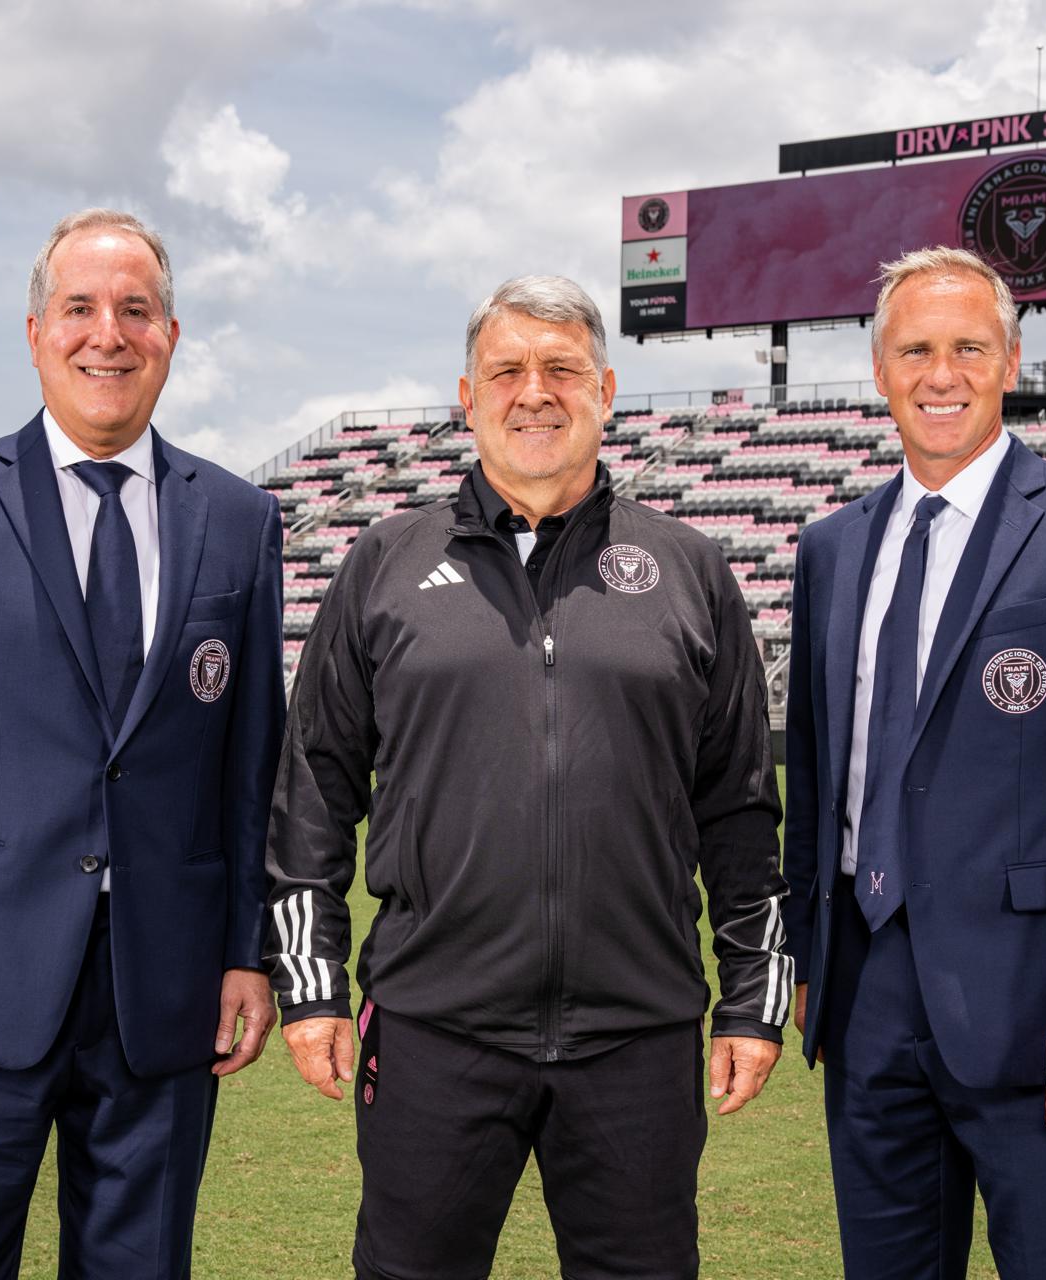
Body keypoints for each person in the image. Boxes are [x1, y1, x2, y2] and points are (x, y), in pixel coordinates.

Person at [266, 275, 789, 1279]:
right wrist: (312, 981)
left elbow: (737, 806)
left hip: (638, 1033)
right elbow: (315, 787)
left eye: (562, 369)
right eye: (507, 370)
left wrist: (755, 993)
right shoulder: (383, 562)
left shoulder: (688, 569)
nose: (534, 392)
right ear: (468, 395)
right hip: (433, 1027)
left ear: (607, 388)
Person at [0, 208, 285, 1278]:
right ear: (35, 331)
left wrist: (243, 949)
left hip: (162, 994)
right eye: (79, 307)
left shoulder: (239, 519)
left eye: (135, 309)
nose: (107, 334)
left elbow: (248, 762)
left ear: (170, 334)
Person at [782, 246, 1046, 1278]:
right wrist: (807, 958)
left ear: (1010, 358)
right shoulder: (830, 548)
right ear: (879, 370)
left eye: (968, 346)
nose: (941, 372)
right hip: (866, 996)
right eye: (915, 348)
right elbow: (819, 778)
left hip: (1037, 1008)